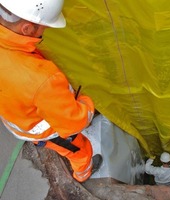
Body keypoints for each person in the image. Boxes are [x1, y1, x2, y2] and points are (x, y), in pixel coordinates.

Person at [0, 0, 102, 183]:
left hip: (15, 116)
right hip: (41, 129)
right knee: (79, 149)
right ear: (27, 29)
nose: (44, 31)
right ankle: (82, 174)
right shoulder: (43, 79)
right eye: (44, 28)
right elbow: (75, 122)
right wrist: (86, 103)